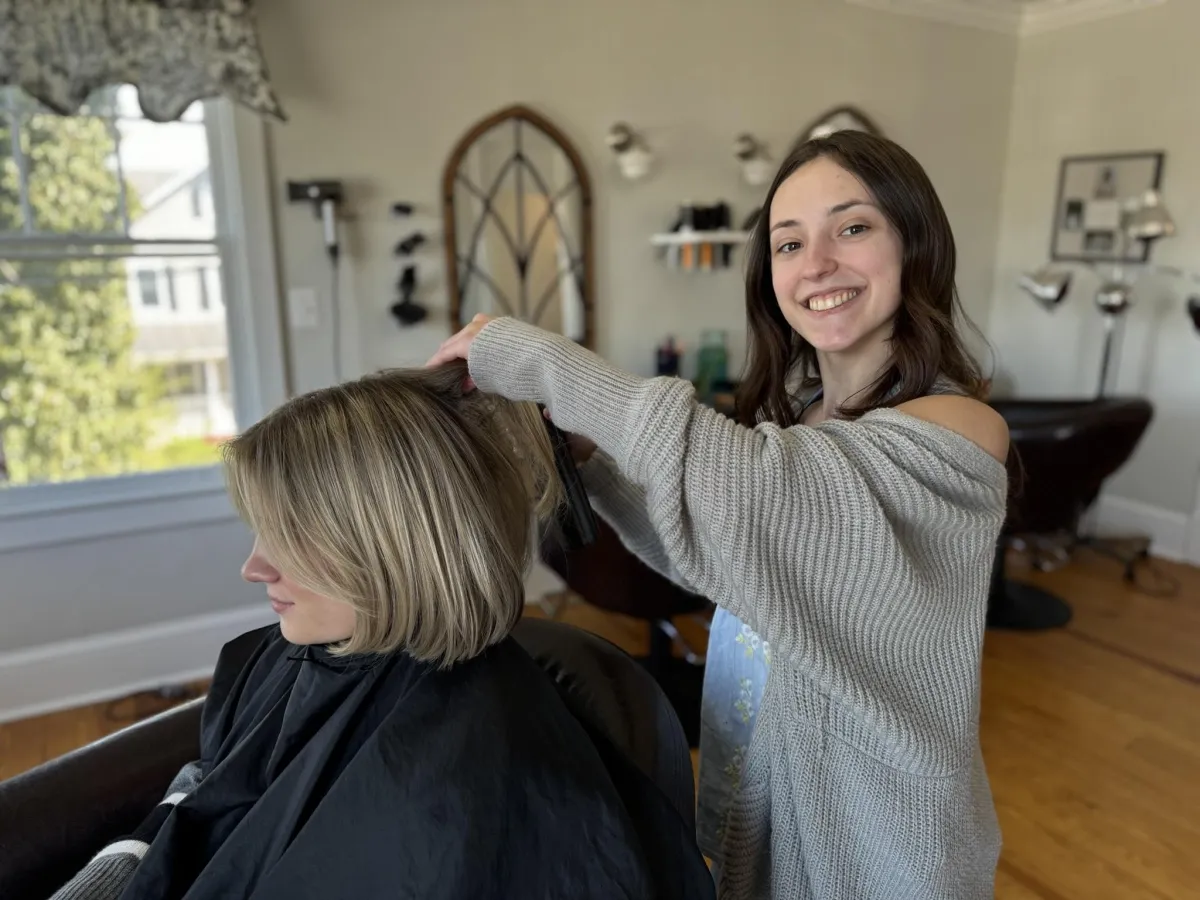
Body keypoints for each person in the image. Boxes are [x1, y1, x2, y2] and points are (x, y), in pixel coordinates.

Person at [428, 130, 1011, 899]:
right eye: (788, 242)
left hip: (878, 836)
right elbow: (735, 562)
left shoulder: (959, 428)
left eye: (854, 227)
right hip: (772, 794)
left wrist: (537, 360)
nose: (817, 263)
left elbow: (761, 496)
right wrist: (596, 465)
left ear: (917, 243)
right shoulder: (808, 425)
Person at [49, 362, 715, 900]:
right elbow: (209, 796)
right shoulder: (283, 661)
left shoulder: (464, 783)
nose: (252, 567)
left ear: (390, 548)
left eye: (288, 537)